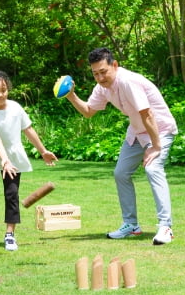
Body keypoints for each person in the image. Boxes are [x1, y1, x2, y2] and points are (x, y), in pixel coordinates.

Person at [64, 47, 178, 245]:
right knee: (121, 173)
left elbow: (147, 113)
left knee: (153, 169)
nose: (100, 78)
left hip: (159, 130)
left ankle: (165, 227)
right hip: (136, 132)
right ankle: (131, 225)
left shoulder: (127, 81)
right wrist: (71, 95)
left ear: (114, 65)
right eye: (95, 73)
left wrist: (156, 146)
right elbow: (89, 111)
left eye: (103, 72)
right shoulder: (102, 87)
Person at [0, 70, 58, 251]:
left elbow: (28, 129)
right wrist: (4, 160)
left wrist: (43, 151)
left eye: (4, 90)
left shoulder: (15, 108)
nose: (1, 94)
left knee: (12, 195)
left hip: (13, 158)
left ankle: (10, 235)